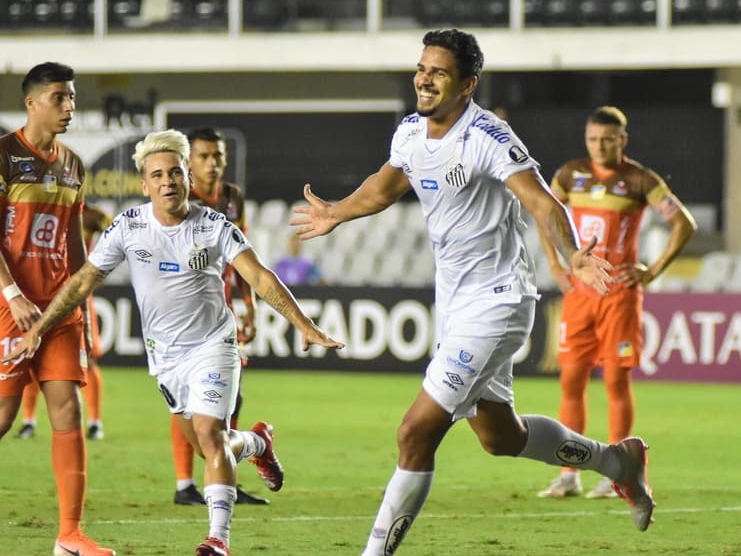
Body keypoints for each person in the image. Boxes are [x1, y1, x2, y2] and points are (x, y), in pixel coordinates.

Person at [291, 29, 655, 555]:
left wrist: (573, 251)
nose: (424, 79)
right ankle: (617, 461)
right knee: (500, 437)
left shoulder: (487, 135)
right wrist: (337, 212)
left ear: (467, 85)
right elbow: (385, 185)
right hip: (457, 306)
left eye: (439, 73)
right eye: (422, 69)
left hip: (499, 301)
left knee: (414, 433)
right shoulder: (410, 132)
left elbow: (542, 201)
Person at [3, 129, 345, 556]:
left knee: (209, 434)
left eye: (175, 173)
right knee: (209, 447)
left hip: (214, 346)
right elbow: (82, 282)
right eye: (158, 175)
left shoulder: (214, 225)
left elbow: (259, 276)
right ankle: (258, 442)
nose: (168, 181)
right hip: (166, 358)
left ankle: (217, 540)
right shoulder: (129, 227)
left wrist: (303, 323)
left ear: (187, 178)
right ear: (145, 185)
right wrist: (39, 327)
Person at [535, 106, 696, 500]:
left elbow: (684, 223)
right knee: (571, 380)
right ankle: (568, 473)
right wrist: (554, 265)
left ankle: (618, 473)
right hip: (580, 294)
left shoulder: (640, 179)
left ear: (622, 139)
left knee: (615, 382)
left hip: (619, 296)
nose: (599, 146)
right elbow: (545, 214)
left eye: (607, 139)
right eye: (593, 139)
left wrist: (652, 271)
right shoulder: (570, 174)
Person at [0, 62, 115, 556]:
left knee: (68, 407)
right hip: (10, 306)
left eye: (71, 97)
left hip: (60, 308)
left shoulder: (74, 165)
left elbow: (73, 243)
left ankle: (69, 535)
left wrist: (80, 301)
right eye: (59, 98)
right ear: (31, 103)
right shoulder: (4, 156)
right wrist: (12, 294)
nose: (69, 106)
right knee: (4, 415)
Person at [167, 126, 267, 506]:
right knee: (185, 399)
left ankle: (226, 478)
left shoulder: (232, 198)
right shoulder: (178, 198)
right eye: (204, 156)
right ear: (189, 162)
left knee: (230, 397)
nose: (211, 164)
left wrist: (249, 306)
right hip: (183, 315)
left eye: (217, 156)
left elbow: (241, 256)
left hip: (221, 315)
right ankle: (185, 484)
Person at [14, 202, 113, 441]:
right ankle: (28, 421)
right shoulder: (39, 209)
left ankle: (95, 422)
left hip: (75, 297)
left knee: (88, 359)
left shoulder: (89, 215)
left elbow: (113, 229)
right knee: (29, 355)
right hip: (39, 293)